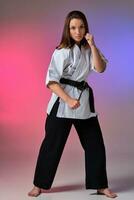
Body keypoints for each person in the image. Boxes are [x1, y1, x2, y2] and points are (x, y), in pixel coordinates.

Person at [28, 10, 117, 198]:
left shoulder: (88, 49)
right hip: (62, 103)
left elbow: (100, 69)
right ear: (67, 29)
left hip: (83, 104)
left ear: (86, 28)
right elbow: (51, 81)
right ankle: (39, 185)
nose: (78, 31)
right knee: (51, 146)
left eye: (81, 27)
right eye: (73, 28)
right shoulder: (61, 51)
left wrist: (93, 45)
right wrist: (68, 99)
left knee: (95, 145)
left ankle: (101, 185)